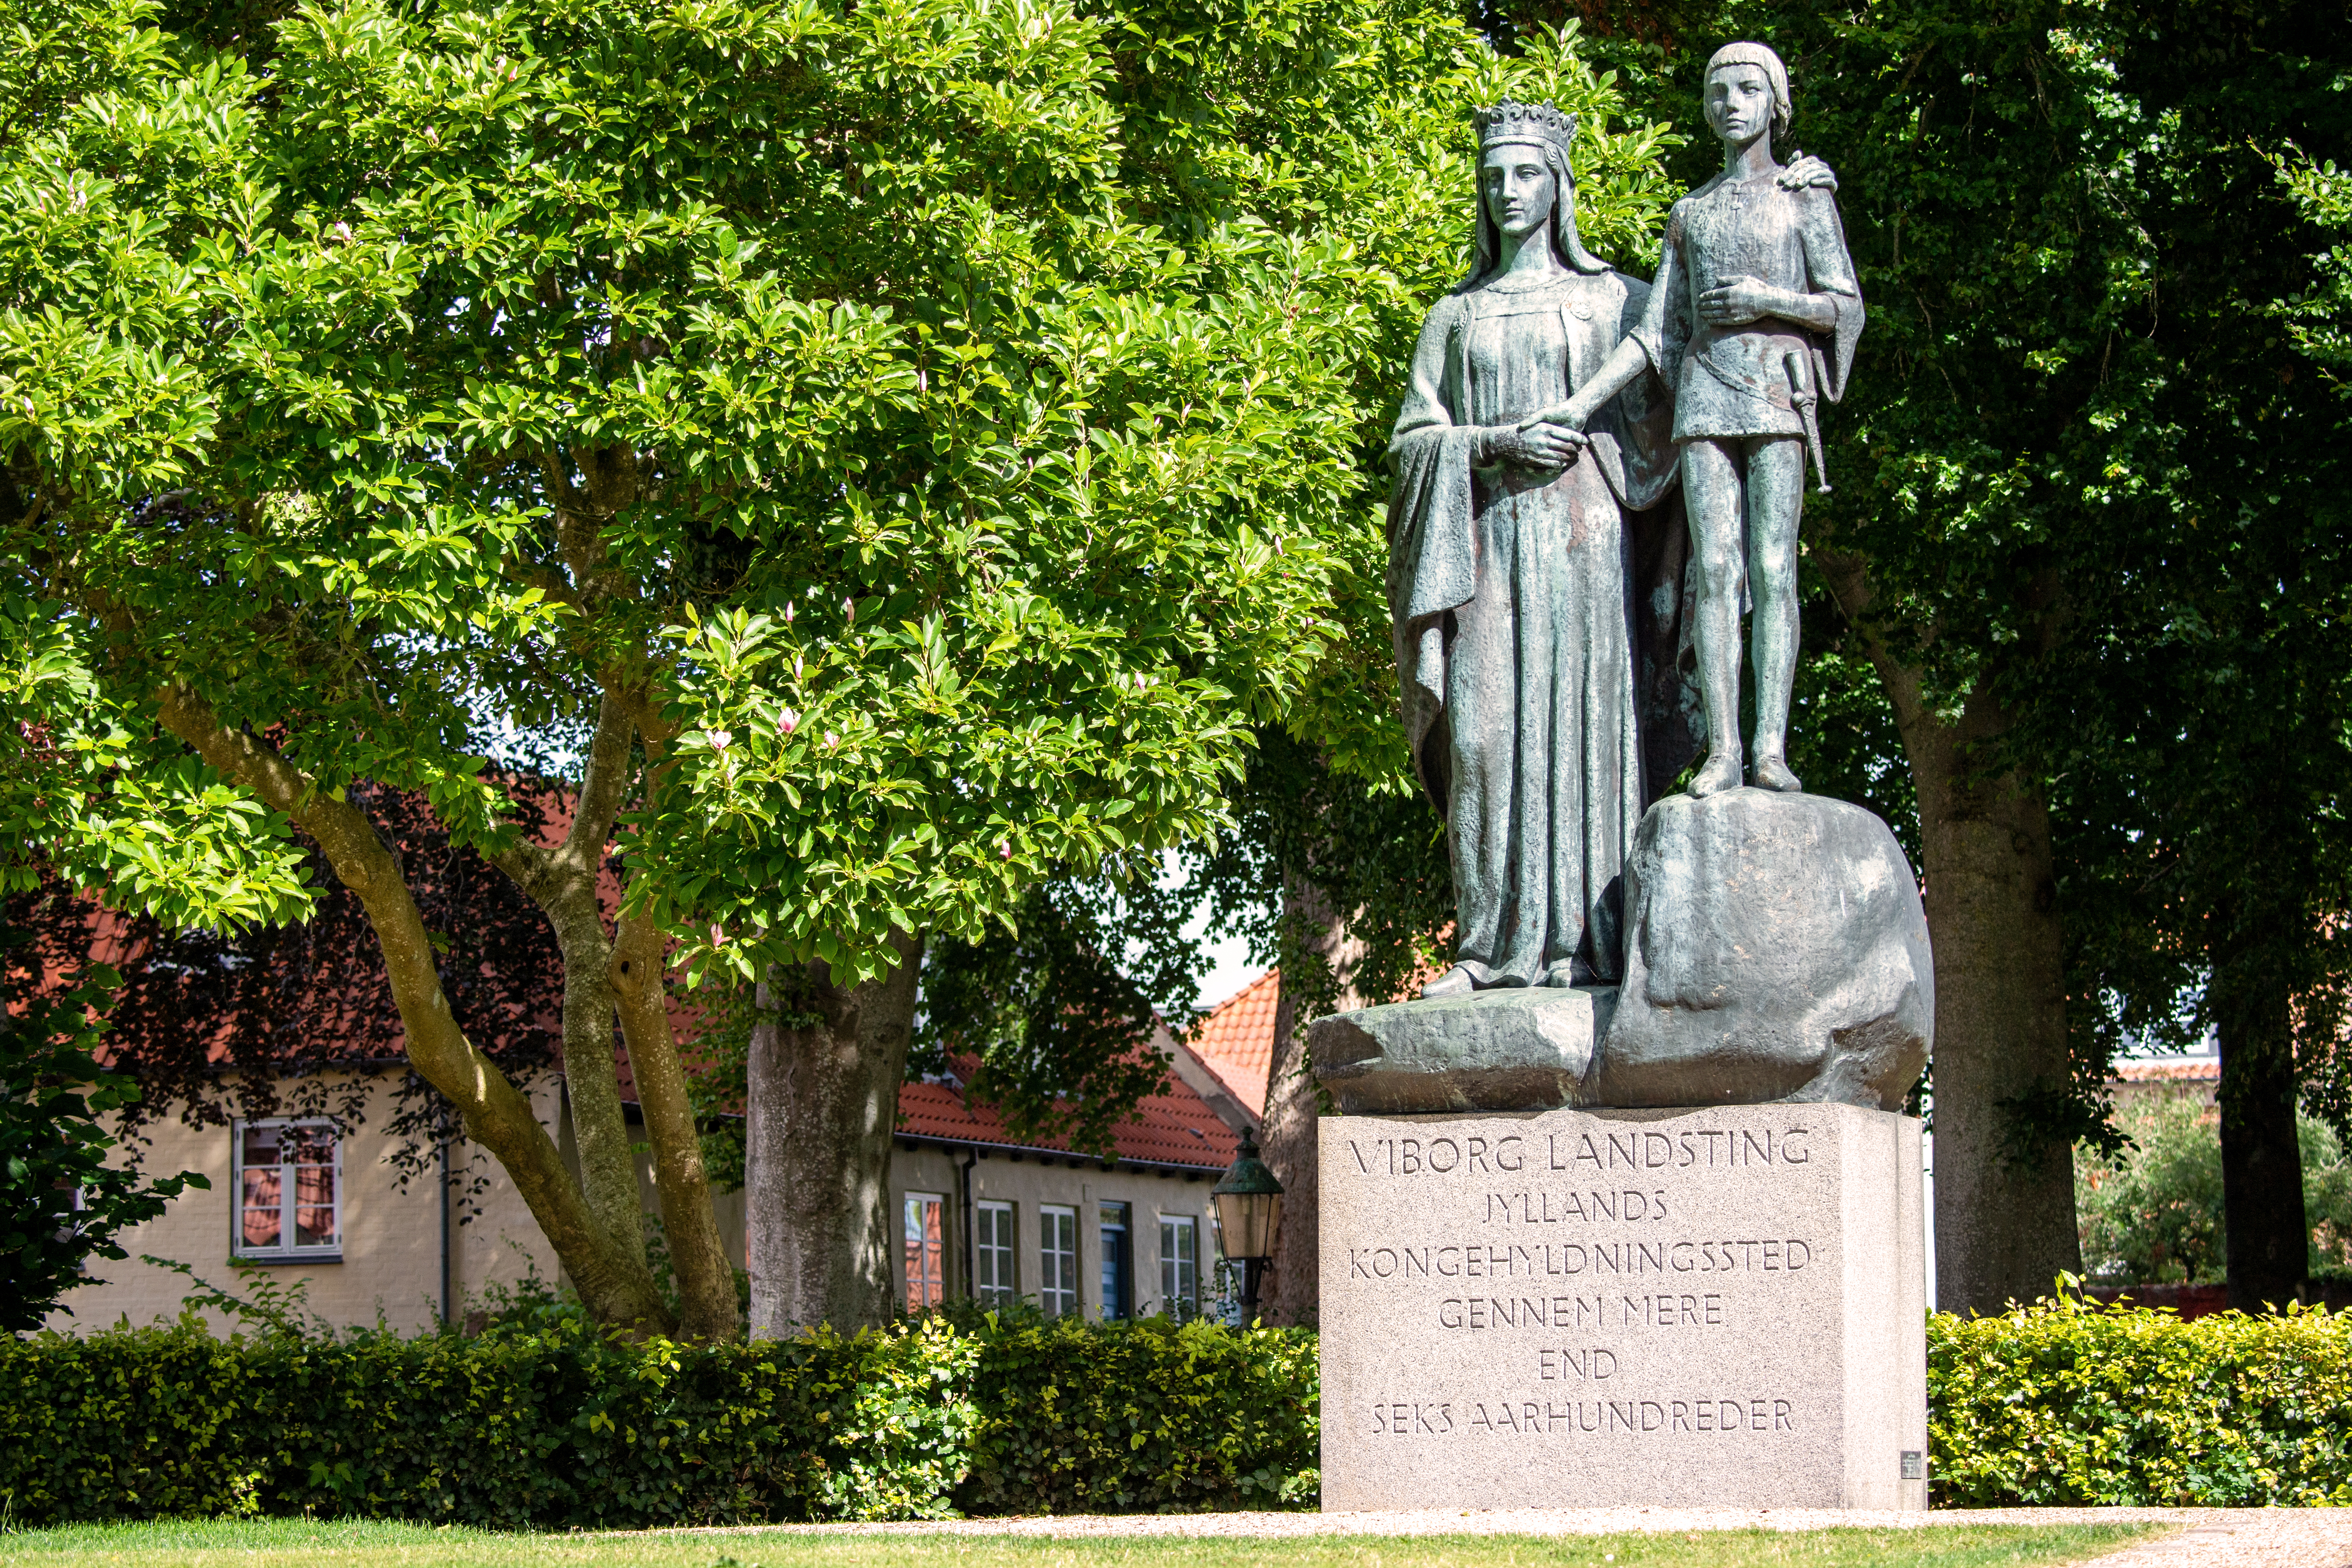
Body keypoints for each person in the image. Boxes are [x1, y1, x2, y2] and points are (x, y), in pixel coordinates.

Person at [1388, 101, 1691, 998]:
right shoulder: (1454, 316)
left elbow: (1673, 423)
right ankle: (1483, 950)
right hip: (1483, 545)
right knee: (1482, 739)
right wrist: (1488, 445)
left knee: (1582, 734)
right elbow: (1413, 441)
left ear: (1560, 187)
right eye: (1493, 178)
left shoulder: (1617, 302)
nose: (1507, 191)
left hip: (1585, 540)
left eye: (1525, 174)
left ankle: (1587, 948)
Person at [1524, 42, 1862, 798]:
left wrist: (1769, 303)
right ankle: (1724, 750)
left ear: (1775, 103)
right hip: (1706, 396)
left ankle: (1771, 748)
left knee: (1776, 568)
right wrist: (1580, 405)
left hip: (1778, 393)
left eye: (1747, 89)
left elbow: (1844, 305)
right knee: (1716, 570)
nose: (1730, 104)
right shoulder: (1692, 211)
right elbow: (1658, 332)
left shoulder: (1806, 196)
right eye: (1718, 91)